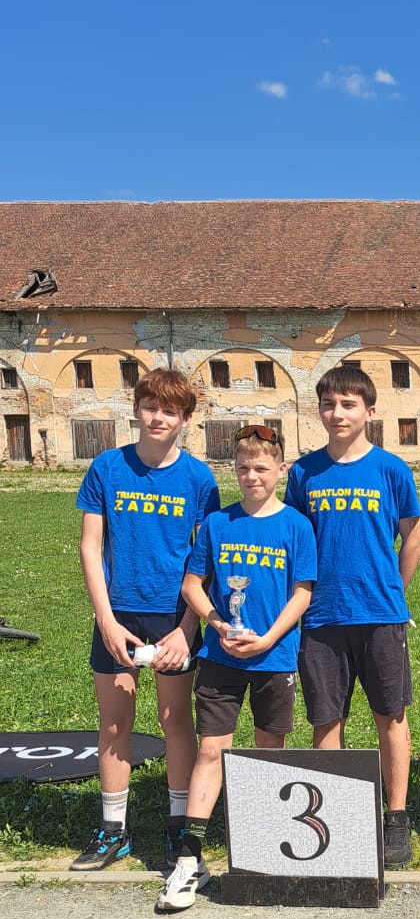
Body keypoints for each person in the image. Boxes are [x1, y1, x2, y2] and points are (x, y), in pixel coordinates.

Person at [160, 425, 317, 912]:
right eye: (244, 468)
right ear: (234, 470)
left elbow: (303, 592)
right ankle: (190, 860)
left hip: (275, 656)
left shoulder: (297, 526)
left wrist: (269, 637)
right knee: (212, 751)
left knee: (270, 752)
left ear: (281, 470)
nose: (252, 477)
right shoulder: (217, 523)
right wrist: (216, 622)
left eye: (262, 468)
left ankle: (265, 848)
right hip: (220, 656)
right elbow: (192, 584)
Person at [73, 368, 220, 871]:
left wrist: (187, 629)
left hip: (172, 616)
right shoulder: (108, 468)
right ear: (136, 409)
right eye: (151, 407)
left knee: (175, 721)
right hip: (119, 614)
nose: (159, 418)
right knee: (115, 721)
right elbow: (90, 547)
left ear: (186, 419)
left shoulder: (199, 479)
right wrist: (106, 620)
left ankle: (179, 826)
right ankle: (113, 830)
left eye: (170, 411)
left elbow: (204, 561)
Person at [285, 366, 420, 867]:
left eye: (348, 404)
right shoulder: (303, 473)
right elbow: (295, 539)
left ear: (370, 411)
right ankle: (332, 815)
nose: (337, 413)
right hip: (321, 617)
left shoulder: (392, 469)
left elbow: (413, 536)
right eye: (328, 404)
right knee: (327, 720)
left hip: (380, 614)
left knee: (392, 717)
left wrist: (393, 589)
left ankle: (396, 818)